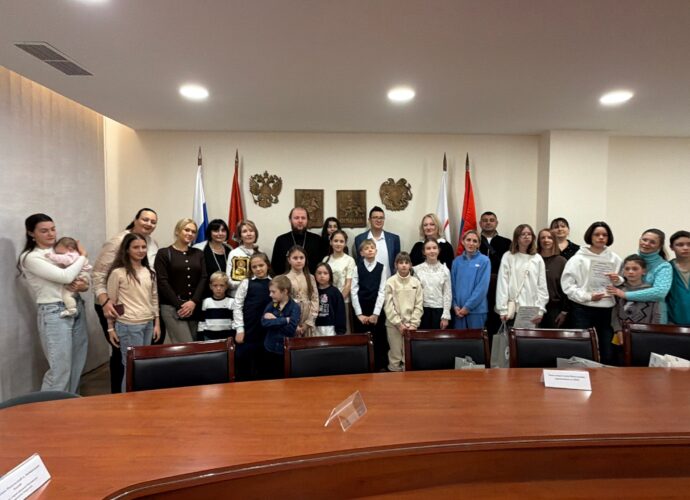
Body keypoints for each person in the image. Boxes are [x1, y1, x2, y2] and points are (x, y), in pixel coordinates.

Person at [18, 213, 89, 393]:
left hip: (76, 305)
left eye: (53, 229)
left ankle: (69, 405)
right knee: (60, 370)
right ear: (31, 233)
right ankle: (49, 408)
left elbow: (84, 275)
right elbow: (65, 276)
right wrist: (83, 256)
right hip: (55, 311)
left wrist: (83, 285)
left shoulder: (60, 250)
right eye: (44, 231)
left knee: (76, 364)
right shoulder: (31, 257)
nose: (51, 234)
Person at [92, 207, 159, 393]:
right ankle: (120, 396)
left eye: (153, 221)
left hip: (142, 308)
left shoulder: (152, 243)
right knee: (122, 357)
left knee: (141, 358)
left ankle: (138, 393)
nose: (149, 224)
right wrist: (106, 303)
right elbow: (98, 275)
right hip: (115, 305)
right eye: (145, 219)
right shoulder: (117, 241)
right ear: (135, 219)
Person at [561, 221, 623, 365]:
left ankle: (604, 378)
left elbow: (622, 282)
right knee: (583, 350)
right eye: (597, 234)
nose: (601, 237)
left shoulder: (615, 258)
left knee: (607, 350)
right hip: (582, 309)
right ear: (590, 236)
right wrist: (588, 297)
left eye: (604, 235)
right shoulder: (578, 258)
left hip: (607, 311)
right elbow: (568, 286)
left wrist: (618, 279)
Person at [105, 233, 160, 391]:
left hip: (148, 323)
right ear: (127, 250)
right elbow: (112, 303)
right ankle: (128, 401)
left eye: (143, 247)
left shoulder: (150, 271)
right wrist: (110, 328)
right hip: (129, 325)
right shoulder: (118, 273)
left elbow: (154, 298)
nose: (141, 250)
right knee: (131, 366)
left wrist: (156, 323)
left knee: (144, 364)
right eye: (136, 247)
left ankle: (141, 399)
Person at [154, 218, 208, 344]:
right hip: (172, 307)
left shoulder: (198, 253)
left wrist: (193, 301)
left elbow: (203, 277)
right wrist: (179, 305)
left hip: (194, 307)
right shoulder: (164, 253)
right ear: (177, 231)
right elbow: (162, 281)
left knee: (194, 344)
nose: (190, 233)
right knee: (186, 345)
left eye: (193, 232)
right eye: (186, 230)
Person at [606, 229, 672, 324]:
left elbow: (660, 292)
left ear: (659, 246)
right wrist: (617, 280)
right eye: (644, 240)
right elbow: (621, 284)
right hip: (626, 315)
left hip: (653, 316)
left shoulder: (664, 266)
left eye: (652, 242)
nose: (647, 243)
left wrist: (625, 295)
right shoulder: (630, 260)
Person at [495, 224, 549, 326]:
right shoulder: (508, 256)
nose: (526, 236)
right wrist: (502, 309)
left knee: (529, 336)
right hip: (512, 308)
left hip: (532, 309)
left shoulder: (537, 258)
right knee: (511, 335)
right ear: (517, 237)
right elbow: (503, 284)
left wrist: (541, 309)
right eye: (523, 234)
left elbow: (542, 286)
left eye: (529, 234)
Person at [233, 252, 273, 380]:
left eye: (261, 265)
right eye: (254, 267)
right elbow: (237, 306)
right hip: (249, 329)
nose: (258, 269)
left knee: (265, 365)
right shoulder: (246, 283)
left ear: (267, 265)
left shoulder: (274, 283)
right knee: (245, 365)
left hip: (267, 331)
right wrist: (240, 329)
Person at [351, 238, 388, 370]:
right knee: (362, 339)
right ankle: (363, 366)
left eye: (372, 248)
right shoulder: (357, 268)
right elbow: (354, 291)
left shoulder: (382, 268)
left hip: (376, 309)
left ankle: (379, 366)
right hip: (361, 308)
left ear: (376, 251)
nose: (370, 250)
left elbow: (382, 291)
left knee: (378, 338)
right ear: (361, 253)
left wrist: (376, 314)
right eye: (366, 248)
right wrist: (359, 314)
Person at [384, 252, 424, 372]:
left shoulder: (416, 282)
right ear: (396, 265)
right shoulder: (390, 282)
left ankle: (408, 378)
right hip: (394, 325)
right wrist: (398, 323)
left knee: (408, 355)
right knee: (395, 355)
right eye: (401, 262)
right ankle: (394, 375)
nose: (404, 265)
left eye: (406, 262)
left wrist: (413, 324)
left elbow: (419, 304)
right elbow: (388, 306)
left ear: (410, 265)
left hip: (411, 325)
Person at [611, 255, 662, 346]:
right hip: (622, 333)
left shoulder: (650, 291)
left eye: (635, 269)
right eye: (627, 269)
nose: (630, 272)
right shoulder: (618, 290)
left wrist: (652, 333)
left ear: (644, 271)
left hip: (645, 335)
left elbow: (656, 315)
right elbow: (614, 313)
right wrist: (618, 330)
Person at [478, 211, 512, 337]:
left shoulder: (506, 242)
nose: (488, 223)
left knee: (496, 318)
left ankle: (495, 346)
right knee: (480, 318)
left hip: (499, 285)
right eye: (485, 220)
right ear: (480, 223)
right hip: (478, 285)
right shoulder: (473, 241)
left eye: (491, 220)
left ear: (497, 223)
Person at [450, 230, 491, 329]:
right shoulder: (456, 261)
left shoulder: (484, 261)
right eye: (468, 240)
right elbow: (452, 286)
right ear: (463, 241)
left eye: (475, 241)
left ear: (479, 244)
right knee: (460, 338)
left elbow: (482, 287)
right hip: (458, 311)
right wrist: (454, 306)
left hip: (477, 311)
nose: (471, 243)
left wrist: (467, 307)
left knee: (476, 338)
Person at [262, 275, 300, 379]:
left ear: (285, 291)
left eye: (273, 292)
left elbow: (291, 330)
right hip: (269, 347)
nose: (270, 295)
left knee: (283, 379)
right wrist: (285, 320)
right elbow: (264, 322)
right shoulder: (271, 305)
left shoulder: (295, 307)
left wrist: (274, 319)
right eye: (270, 291)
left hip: (284, 351)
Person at [45, 236, 92, 317]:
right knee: (67, 291)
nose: (59, 255)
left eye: (60, 253)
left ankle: (71, 309)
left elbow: (65, 259)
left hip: (80, 275)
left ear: (70, 248)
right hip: (82, 275)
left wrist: (51, 256)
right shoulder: (77, 254)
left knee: (66, 295)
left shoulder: (72, 255)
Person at [271, 207, 323, 275]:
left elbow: (321, 265)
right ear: (290, 220)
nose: (300, 221)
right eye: (296, 218)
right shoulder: (281, 240)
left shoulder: (317, 240)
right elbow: (275, 266)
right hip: (286, 280)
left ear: (307, 220)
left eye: (303, 218)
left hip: (311, 279)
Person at [413, 238, 451, 329]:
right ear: (424, 252)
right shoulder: (417, 270)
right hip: (421, 311)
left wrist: (445, 316)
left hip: (439, 311)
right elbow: (414, 294)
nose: (432, 251)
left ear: (439, 250)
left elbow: (447, 293)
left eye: (434, 248)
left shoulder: (445, 270)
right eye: (428, 248)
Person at [353, 206, 401, 278]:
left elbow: (397, 262)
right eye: (375, 217)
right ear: (369, 220)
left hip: (389, 281)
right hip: (366, 281)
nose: (378, 220)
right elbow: (359, 261)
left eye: (381, 218)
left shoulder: (394, 239)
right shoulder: (359, 239)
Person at [323, 229, 356, 332]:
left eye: (341, 241)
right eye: (336, 241)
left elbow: (348, 284)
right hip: (327, 301)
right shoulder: (326, 259)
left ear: (345, 244)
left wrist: (338, 301)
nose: (338, 244)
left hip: (343, 301)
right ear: (331, 242)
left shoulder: (349, 260)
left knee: (343, 331)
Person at [537, 228, 569, 328]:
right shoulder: (533, 260)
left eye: (549, 237)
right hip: (534, 307)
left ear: (554, 240)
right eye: (543, 238)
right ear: (538, 241)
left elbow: (567, 288)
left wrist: (564, 312)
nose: (546, 240)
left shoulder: (561, 261)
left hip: (554, 309)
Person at [284, 245, 318, 337]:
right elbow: (283, 303)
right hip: (292, 317)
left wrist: (308, 322)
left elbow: (315, 299)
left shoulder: (310, 277)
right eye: (295, 258)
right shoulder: (285, 278)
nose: (299, 261)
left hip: (308, 317)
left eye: (301, 258)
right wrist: (293, 324)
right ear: (289, 260)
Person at [193, 219, 231, 296]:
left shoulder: (230, 249)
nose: (220, 233)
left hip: (226, 295)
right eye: (216, 230)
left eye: (223, 230)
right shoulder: (199, 249)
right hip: (204, 294)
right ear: (209, 232)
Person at [197, 272, 235, 341]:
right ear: (210, 286)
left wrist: (233, 336)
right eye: (215, 285)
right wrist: (200, 336)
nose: (218, 288)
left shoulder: (231, 301)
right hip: (208, 337)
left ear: (226, 286)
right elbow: (202, 321)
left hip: (227, 338)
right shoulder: (206, 301)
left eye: (222, 285)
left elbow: (234, 322)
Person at [228, 219, 260, 296]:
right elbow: (229, 282)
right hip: (239, 295)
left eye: (251, 231)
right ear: (240, 236)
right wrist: (248, 283)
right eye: (244, 231)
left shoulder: (260, 253)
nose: (249, 234)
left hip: (257, 295)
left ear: (255, 233)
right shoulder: (235, 253)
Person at [314, 262, 346, 336]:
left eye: (325, 273)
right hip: (315, 327)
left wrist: (340, 331)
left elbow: (340, 312)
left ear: (330, 275)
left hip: (331, 328)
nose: (322, 276)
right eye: (319, 273)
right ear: (315, 275)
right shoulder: (313, 291)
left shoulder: (335, 292)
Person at [667, 230, 690, 325]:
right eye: (680, 245)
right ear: (671, 247)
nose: (685, 248)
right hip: (674, 324)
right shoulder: (666, 269)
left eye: (689, 244)